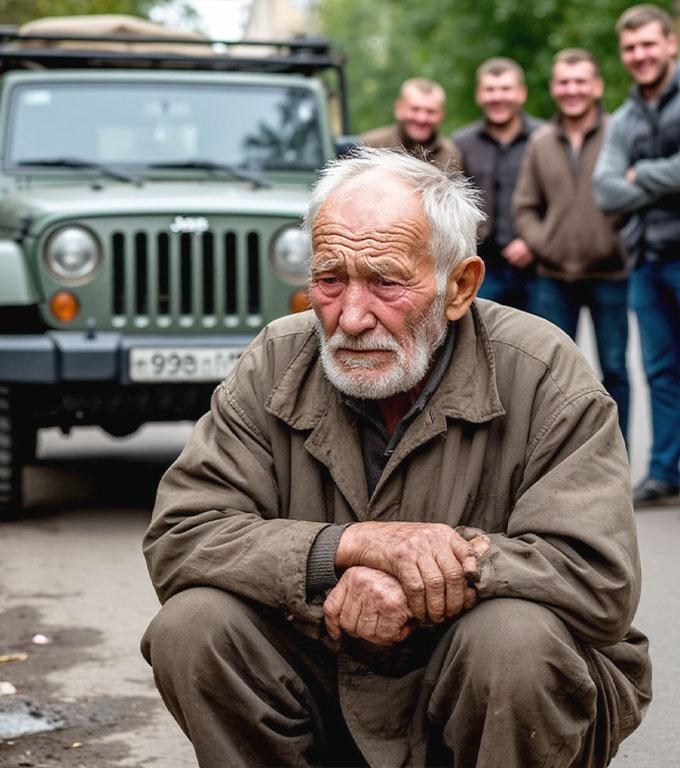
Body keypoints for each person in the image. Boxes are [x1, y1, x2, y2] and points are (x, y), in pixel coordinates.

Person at [142, 148, 651, 768]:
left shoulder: (543, 373)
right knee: (193, 626)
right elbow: (183, 536)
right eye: (330, 279)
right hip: (326, 679)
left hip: (491, 699)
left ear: (458, 286)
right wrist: (349, 549)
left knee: (512, 641)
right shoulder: (275, 359)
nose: (351, 317)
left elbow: (596, 577)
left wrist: (419, 579)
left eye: (385, 281)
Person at [514, 49, 630, 444]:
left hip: (611, 273)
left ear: (596, 86)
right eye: (564, 82)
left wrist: (620, 241)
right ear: (553, 88)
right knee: (556, 373)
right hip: (554, 277)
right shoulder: (540, 141)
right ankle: (561, 458)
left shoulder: (620, 132)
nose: (572, 89)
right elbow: (525, 206)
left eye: (580, 81)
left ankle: (618, 454)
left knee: (615, 370)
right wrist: (545, 244)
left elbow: (635, 197)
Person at [593, 3, 680, 506]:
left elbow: (625, 182)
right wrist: (660, 180)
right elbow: (604, 190)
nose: (639, 55)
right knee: (660, 370)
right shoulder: (623, 119)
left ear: (670, 43)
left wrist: (639, 177)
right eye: (630, 48)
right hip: (646, 261)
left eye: (648, 44)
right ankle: (666, 471)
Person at [453, 57, 543, 310]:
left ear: (521, 93)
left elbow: (559, 200)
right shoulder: (462, 143)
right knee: (482, 343)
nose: (497, 97)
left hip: (536, 266)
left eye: (505, 89)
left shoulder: (544, 137)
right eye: (490, 89)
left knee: (538, 342)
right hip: (482, 266)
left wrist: (533, 242)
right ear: (479, 95)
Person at [361, 77, 459, 169]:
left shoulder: (451, 155)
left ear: (441, 114)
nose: (422, 118)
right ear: (399, 108)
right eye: (415, 109)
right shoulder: (371, 146)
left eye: (430, 111)